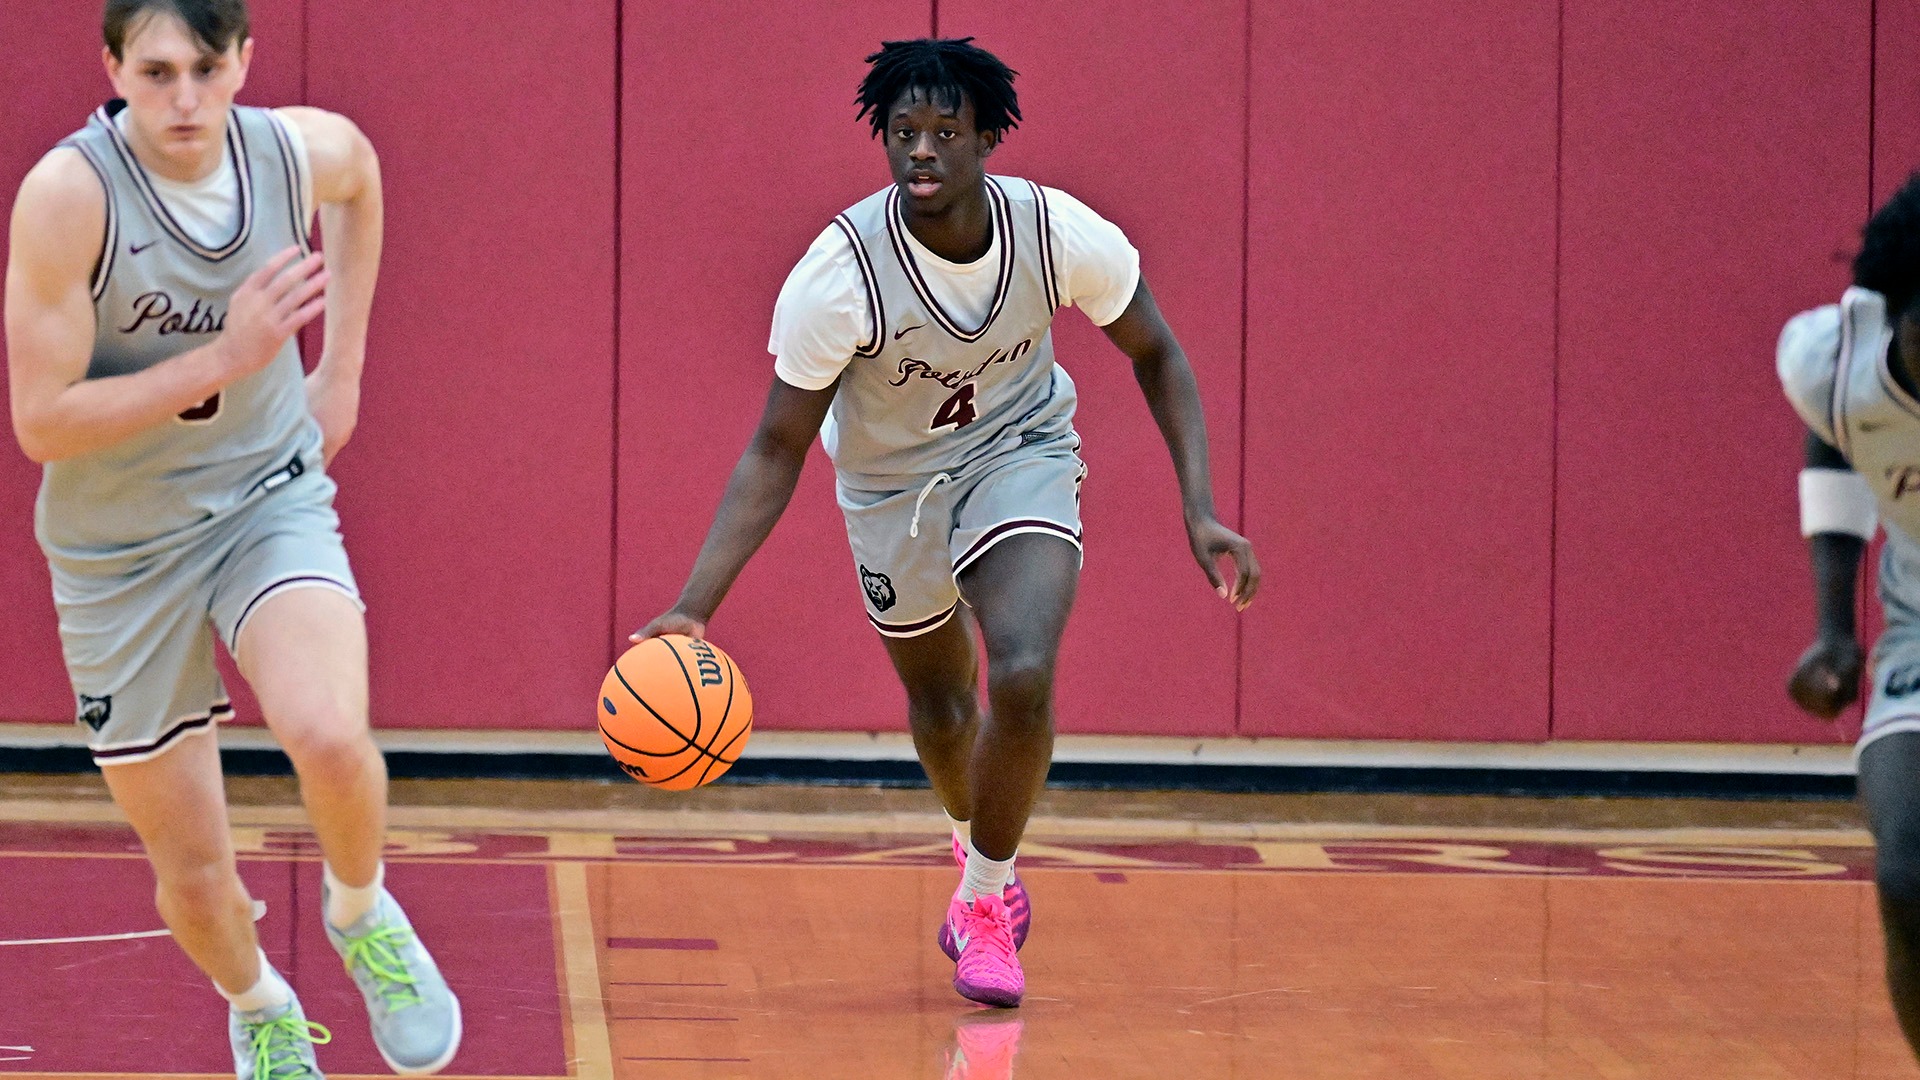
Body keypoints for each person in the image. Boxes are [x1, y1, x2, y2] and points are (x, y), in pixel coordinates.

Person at [635, 37, 1258, 1008]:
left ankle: (983, 899)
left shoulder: (1054, 233)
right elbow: (775, 448)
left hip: (1021, 454)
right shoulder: (837, 278)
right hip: (891, 491)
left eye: (944, 132)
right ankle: (979, 851)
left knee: (1021, 667)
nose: (921, 150)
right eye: (903, 132)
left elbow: (1160, 355)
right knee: (941, 710)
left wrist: (1200, 509)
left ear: (986, 141)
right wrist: (693, 606)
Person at [4, 2, 459, 1075]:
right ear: (113, 67)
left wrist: (338, 372)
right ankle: (258, 1005)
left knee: (331, 733)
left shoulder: (296, 151)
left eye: (207, 69)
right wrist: (229, 353)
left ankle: (361, 912)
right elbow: (40, 423)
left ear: (245, 60)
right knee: (196, 869)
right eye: (156, 72)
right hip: (119, 557)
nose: (185, 99)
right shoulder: (69, 199)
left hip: (264, 497)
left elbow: (362, 180)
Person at [1780, 172, 1920, 1060]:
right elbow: (1839, 425)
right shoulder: (1831, 360)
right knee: (1906, 871)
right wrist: (1836, 628)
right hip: (1918, 627)